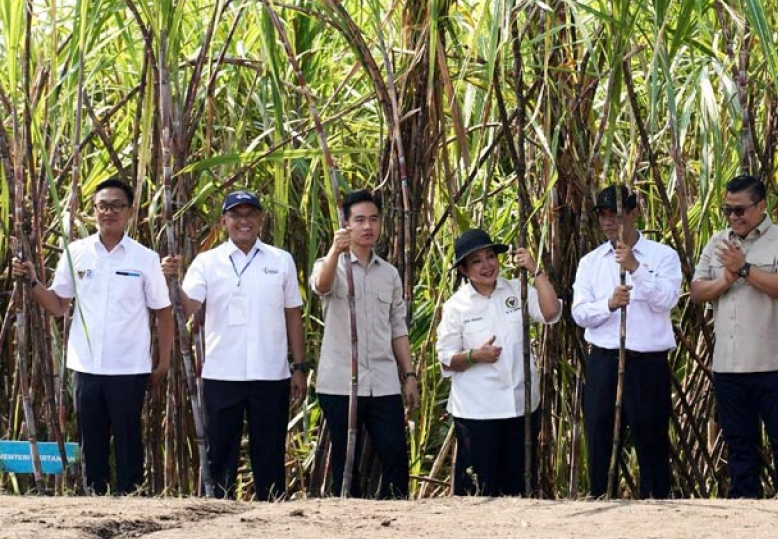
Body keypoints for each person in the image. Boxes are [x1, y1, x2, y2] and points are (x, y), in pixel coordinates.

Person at [12, 177, 173, 495]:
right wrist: (32, 282)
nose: (109, 212)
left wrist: (163, 363)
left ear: (129, 212)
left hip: (129, 368)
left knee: (129, 440)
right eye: (103, 205)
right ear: (93, 210)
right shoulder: (77, 253)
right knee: (91, 441)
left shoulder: (145, 258)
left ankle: (131, 500)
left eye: (117, 205)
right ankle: (94, 502)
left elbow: (163, 311)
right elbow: (58, 306)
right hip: (86, 367)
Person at [162, 190, 306, 500]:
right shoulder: (207, 262)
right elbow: (187, 308)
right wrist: (170, 281)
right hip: (221, 373)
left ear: (260, 219)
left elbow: (293, 315)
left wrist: (299, 366)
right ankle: (216, 515)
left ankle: (272, 514)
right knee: (219, 452)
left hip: (270, 374)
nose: (244, 221)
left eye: (250, 214)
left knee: (269, 450)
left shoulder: (281, 261)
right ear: (224, 221)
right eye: (236, 215)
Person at [691, 174, 778, 498]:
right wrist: (725, 281)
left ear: (761, 206)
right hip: (728, 366)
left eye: (740, 210)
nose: (734, 217)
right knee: (739, 442)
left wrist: (745, 270)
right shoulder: (717, 242)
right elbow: (697, 291)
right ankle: (744, 507)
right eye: (727, 210)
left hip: (773, 363)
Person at [572, 184, 681, 498]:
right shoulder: (591, 262)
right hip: (605, 359)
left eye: (616, 215)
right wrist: (608, 304)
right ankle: (600, 501)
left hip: (647, 362)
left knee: (651, 437)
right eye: (603, 216)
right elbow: (579, 313)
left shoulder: (662, 256)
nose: (608, 222)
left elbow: (667, 300)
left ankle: (657, 506)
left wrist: (635, 269)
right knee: (599, 435)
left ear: (633, 213)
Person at [436, 228, 561, 496]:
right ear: (464, 270)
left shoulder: (517, 290)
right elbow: (446, 359)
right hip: (477, 412)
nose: (486, 265)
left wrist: (535, 270)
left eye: (490, 256)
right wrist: (474, 356)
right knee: (478, 489)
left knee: (516, 488)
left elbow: (551, 311)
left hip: (520, 407)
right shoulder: (456, 307)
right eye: (477, 261)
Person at [311, 190, 417, 498]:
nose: (367, 227)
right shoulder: (330, 264)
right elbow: (321, 286)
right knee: (346, 459)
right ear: (346, 225)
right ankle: (346, 520)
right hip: (340, 382)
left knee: (395, 452)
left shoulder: (389, 274)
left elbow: (398, 327)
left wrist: (409, 374)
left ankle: (398, 516)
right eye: (359, 220)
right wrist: (334, 251)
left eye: (373, 219)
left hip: (383, 381)